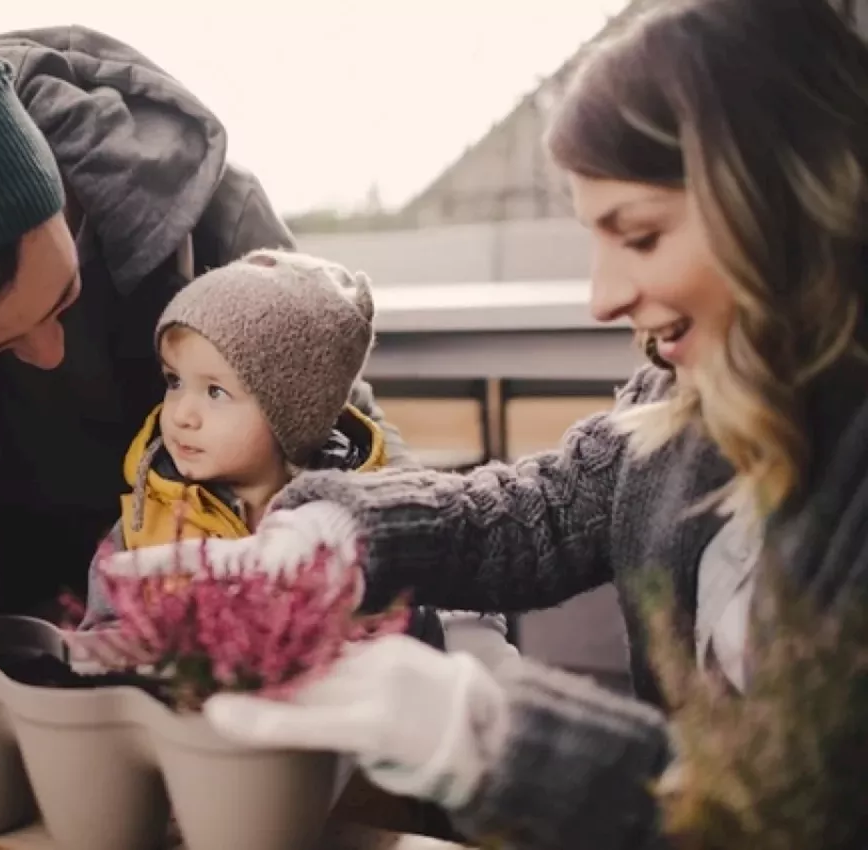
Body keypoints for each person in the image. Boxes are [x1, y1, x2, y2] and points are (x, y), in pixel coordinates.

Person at [96, 1, 868, 847]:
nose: (601, 296)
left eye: (640, 237)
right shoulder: (682, 399)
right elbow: (533, 514)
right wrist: (339, 530)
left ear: (789, 202)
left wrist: (498, 739)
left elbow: (805, 817)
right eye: (594, 240)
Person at [0, 29, 411, 676]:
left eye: (64, 299)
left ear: (57, 183)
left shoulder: (218, 212)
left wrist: (439, 568)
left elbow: (340, 415)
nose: (50, 354)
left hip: (190, 529)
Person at [74, 248, 519, 667]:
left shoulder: (367, 516)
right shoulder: (144, 519)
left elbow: (447, 617)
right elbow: (101, 642)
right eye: (174, 381)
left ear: (291, 413)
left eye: (215, 391)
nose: (182, 414)